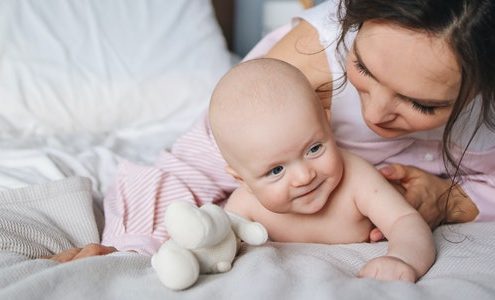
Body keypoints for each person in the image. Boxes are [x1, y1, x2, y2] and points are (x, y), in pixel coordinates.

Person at [50, 0, 494, 261]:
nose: (376, 113)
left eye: (422, 104)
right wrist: (132, 249)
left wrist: (452, 199)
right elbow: (195, 163)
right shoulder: (304, 68)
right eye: (363, 68)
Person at [210, 57, 435, 282]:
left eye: (314, 148)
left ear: (327, 125)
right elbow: (216, 247)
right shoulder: (246, 206)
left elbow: (404, 221)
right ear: (243, 180)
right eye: (276, 170)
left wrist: (404, 259)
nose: (304, 176)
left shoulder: (357, 179)